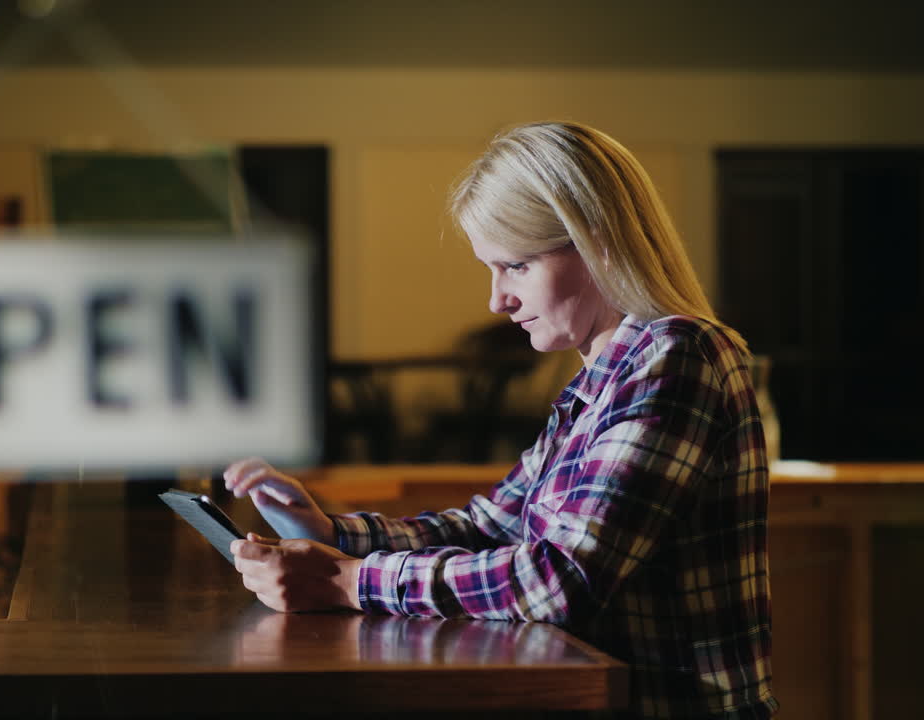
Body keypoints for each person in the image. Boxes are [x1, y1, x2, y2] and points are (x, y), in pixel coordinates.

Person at [222, 121, 777, 719]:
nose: (496, 300)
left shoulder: (678, 355)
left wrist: (347, 581)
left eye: (514, 266)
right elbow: (491, 525)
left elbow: (558, 579)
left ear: (598, 244)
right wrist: (333, 534)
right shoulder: (602, 378)